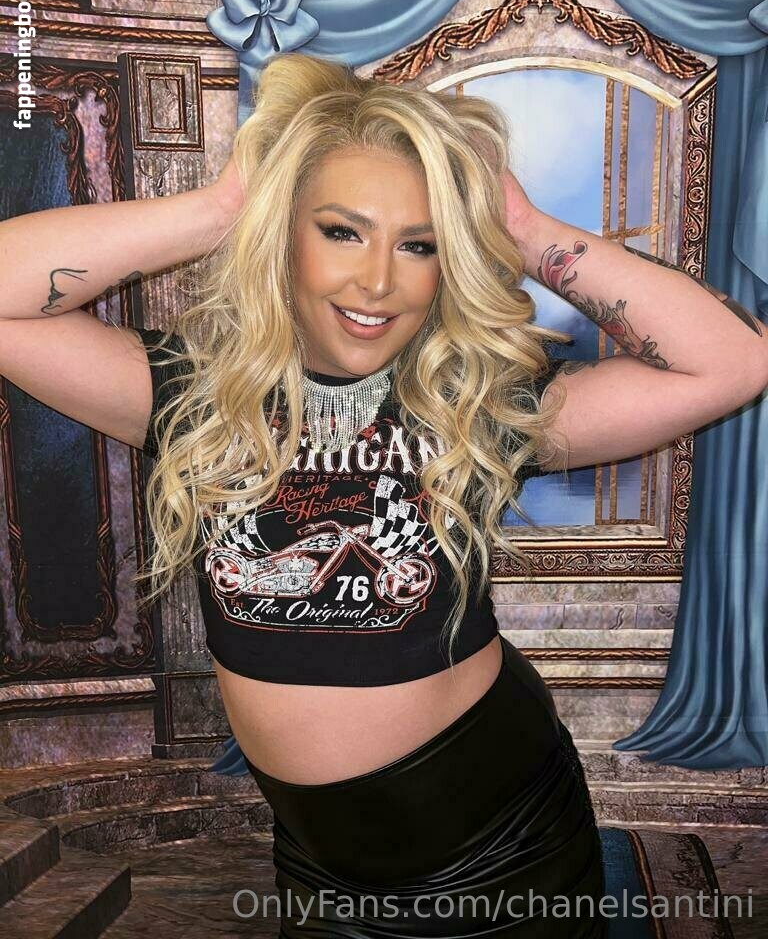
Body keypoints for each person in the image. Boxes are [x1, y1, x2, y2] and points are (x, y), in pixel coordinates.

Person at [1, 52, 765, 938]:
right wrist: (220, 207)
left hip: (500, 850)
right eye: (342, 231)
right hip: (319, 866)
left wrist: (521, 227)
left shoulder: (473, 407)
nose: (377, 282)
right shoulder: (194, 397)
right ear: (284, 232)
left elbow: (733, 362)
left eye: (419, 244)